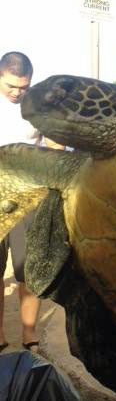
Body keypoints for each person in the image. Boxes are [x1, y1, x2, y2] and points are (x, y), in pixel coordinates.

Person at [0, 51, 42, 354]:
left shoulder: (38, 106)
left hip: (28, 197)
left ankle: (30, 335)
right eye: (12, 86)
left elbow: (54, 145)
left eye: (23, 87)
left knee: (28, 269)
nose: (17, 93)